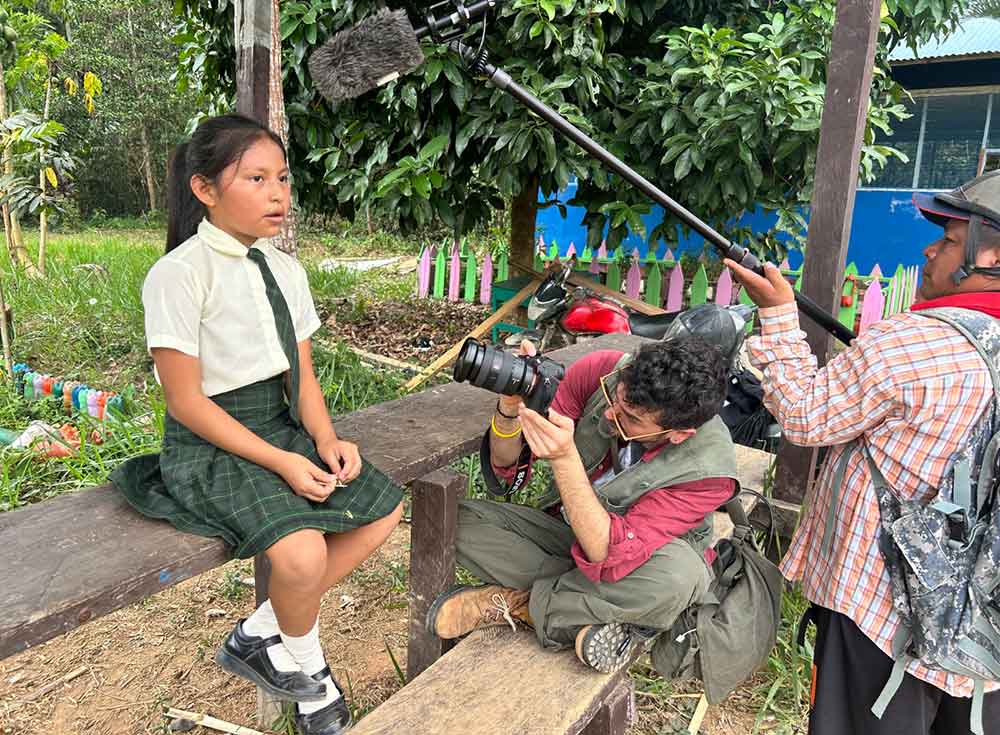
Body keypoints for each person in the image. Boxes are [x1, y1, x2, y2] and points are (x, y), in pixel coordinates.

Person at [110, 114, 404, 735]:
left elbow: (304, 376)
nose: (278, 194)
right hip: (209, 442)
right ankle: (311, 679)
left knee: (382, 509)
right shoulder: (178, 276)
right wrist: (280, 461)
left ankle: (260, 631)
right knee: (298, 556)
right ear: (205, 190)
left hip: (280, 424)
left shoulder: (284, 271)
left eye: (283, 178)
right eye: (256, 178)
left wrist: (326, 440)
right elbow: (186, 402)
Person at [725, 170, 1000, 734]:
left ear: (992, 254)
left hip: (884, 614)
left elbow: (806, 416)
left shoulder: (914, 341)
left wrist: (778, 314)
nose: (930, 249)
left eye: (950, 240)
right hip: (984, 624)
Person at [426, 335, 739, 674]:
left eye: (631, 418)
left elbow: (608, 552)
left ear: (679, 434)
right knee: (452, 523)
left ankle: (519, 604)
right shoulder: (603, 371)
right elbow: (507, 466)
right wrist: (511, 407)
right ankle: (595, 610)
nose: (609, 413)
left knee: (681, 578)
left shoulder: (708, 473)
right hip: (571, 533)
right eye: (615, 398)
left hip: (645, 561)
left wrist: (564, 459)